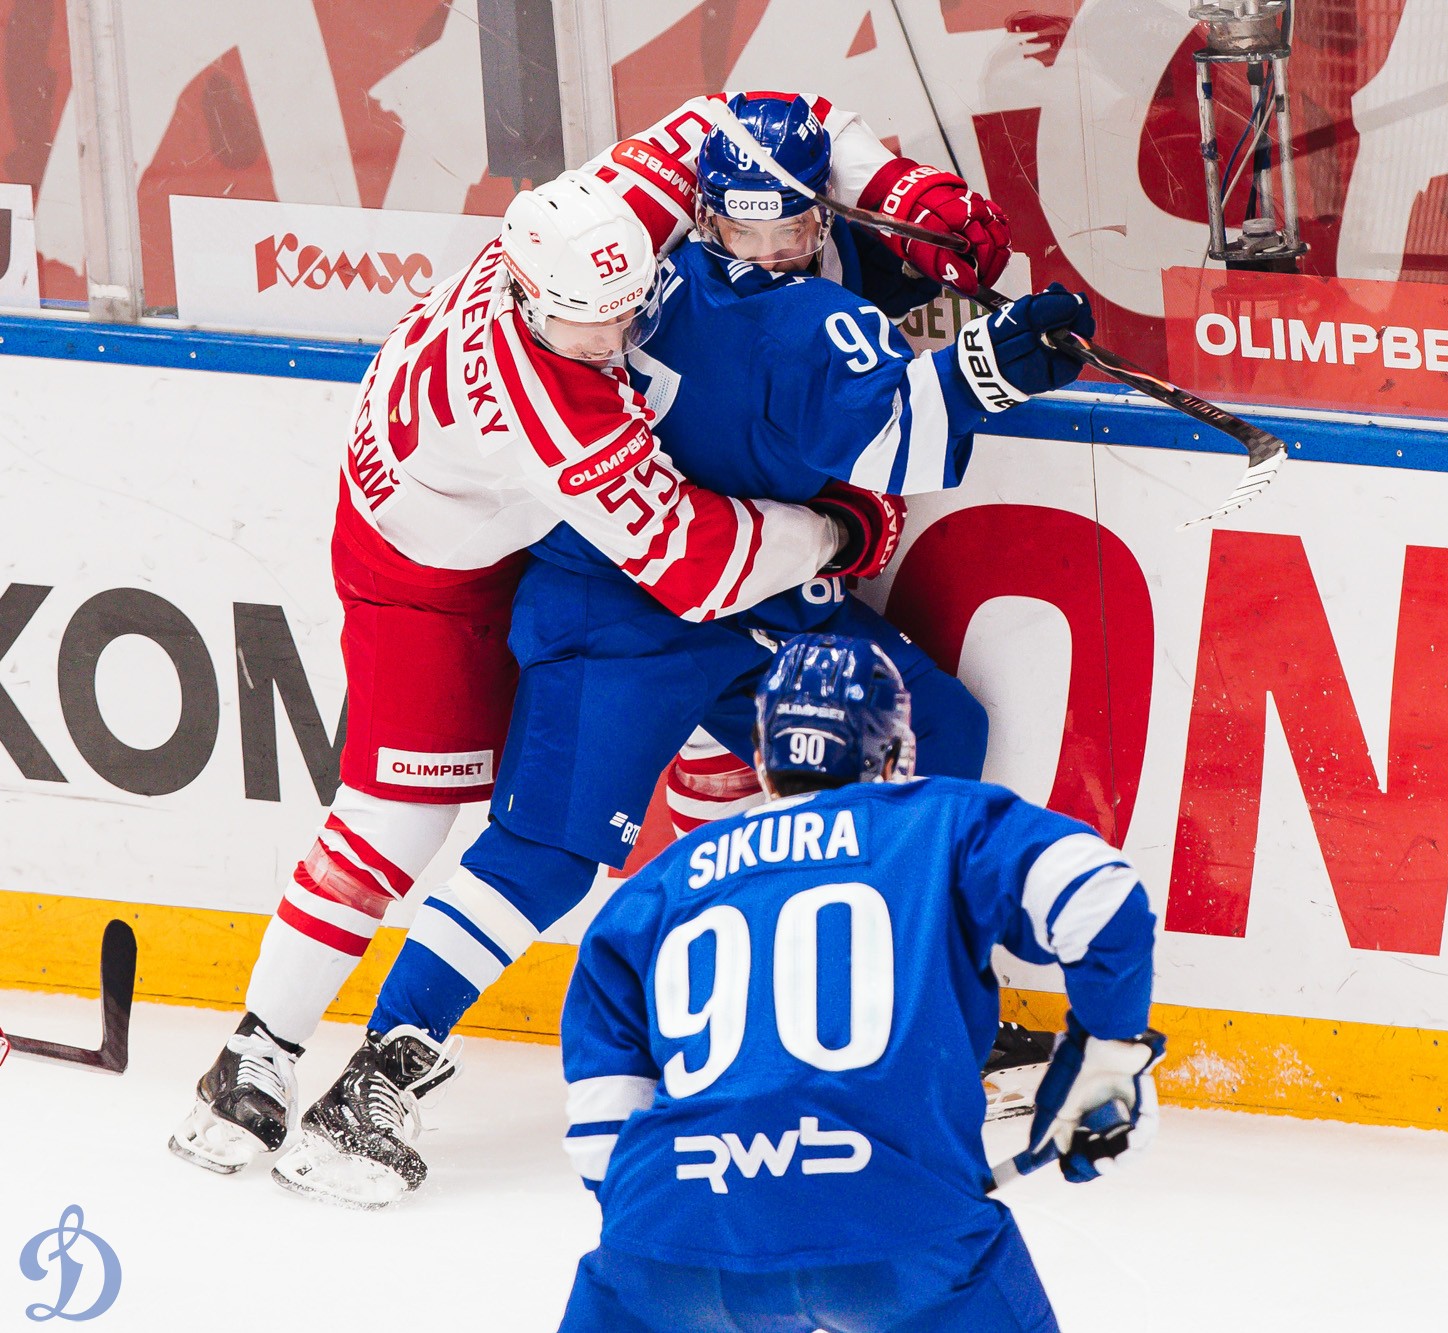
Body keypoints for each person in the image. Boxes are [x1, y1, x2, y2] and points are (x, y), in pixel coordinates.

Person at [268, 92, 1092, 1207]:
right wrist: (992, 365)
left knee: (932, 725)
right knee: (547, 850)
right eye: (757, 226)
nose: (770, 246)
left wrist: (905, 208)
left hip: (729, 589)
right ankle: (376, 1071)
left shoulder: (632, 256)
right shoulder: (792, 326)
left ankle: (924, 1015)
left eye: (787, 225)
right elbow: (900, 433)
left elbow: (756, 122)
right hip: (627, 609)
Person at [558, 634, 1164, 1333]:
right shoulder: (942, 820)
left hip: (670, 1244)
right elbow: (1099, 895)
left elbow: (600, 1126)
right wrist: (1108, 1054)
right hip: (902, 1237)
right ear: (894, 751)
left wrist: (700, 1228)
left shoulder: (658, 883)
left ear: (761, 755)